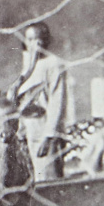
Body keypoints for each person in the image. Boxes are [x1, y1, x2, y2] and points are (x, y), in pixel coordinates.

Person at [17, 22, 73, 181]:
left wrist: (49, 136)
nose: (34, 43)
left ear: (45, 41)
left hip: (45, 132)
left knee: (47, 181)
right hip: (29, 132)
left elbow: (57, 100)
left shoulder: (53, 64)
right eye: (29, 39)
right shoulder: (27, 65)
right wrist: (20, 132)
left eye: (38, 39)